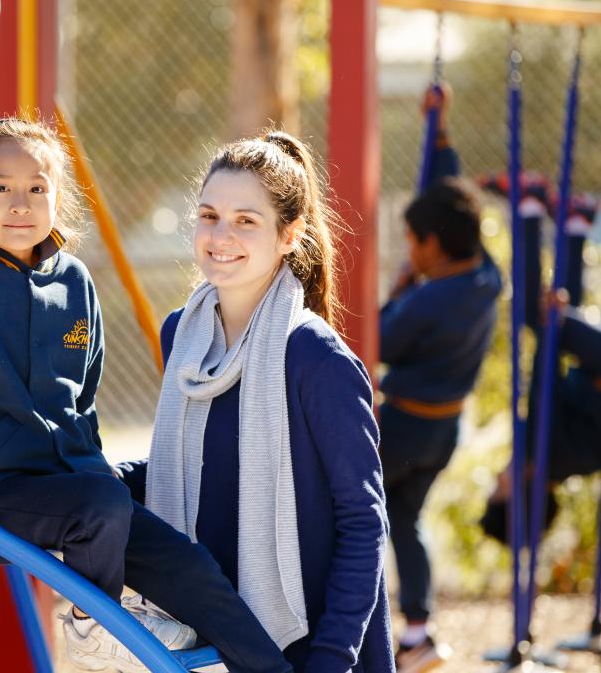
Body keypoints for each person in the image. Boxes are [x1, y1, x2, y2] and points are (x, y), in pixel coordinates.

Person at [0, 117, 292, 673]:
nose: (20, 203)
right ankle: (93, 630)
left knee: (191, 567)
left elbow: (82, 399)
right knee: (100, 509)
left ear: (57, 198)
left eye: (37, 188)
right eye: (0, 188)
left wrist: (101, 476)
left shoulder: (74, 281)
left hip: (71, 490)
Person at [119, 131, 395, 672]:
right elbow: (196, 464)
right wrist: (101, 479)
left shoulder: (316, 358)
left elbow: (364, 523)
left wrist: (332, 660)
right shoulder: (184, 335)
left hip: (315, 646)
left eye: (247, 220)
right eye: (208, 215)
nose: (221, 235)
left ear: (290, 236)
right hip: (216, 635)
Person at [377, 87, 503, 673]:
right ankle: (420, 632)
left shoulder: (425, 303)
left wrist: (398, 291)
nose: (409, 249)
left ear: (433, 244)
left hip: (398, 428)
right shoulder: (486, 280)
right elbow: (458, 205)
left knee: (347, 513)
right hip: (444, 432)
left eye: (412, 240)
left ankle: (359, 627)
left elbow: (376, 342)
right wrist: (441, 131)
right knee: (405, 520)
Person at [479, 184, 601, 542]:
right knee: (537, 317)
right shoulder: (542, 448)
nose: (498, 477)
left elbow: (600, 406)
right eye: (498, 489)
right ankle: (530, 206)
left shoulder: (570, 462)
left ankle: (576, 223)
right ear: (521, 493)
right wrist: (555, 325)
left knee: (557, 328)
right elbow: (544, 381)